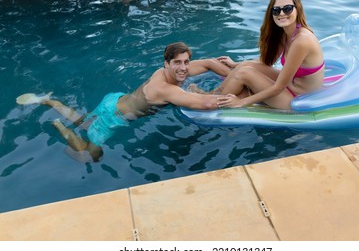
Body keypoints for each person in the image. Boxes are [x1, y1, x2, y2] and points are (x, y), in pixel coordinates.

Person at [16, 42, 231, 162]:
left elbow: (210, 63)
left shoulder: (168, 72)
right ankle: (59, 127)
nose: (184, 67)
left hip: (114, 99)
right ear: (167, 63)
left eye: (186, 62)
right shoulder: (165, 88)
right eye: (178, 63)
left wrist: (233, 71)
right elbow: (208, 104)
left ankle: (47, 100)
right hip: (113, 118)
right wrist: (235, 97)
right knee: (90, 156)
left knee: (84, 120)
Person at [190, 0, 324, 110]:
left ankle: (212, 100)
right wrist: (236, 64)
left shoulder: (302, 41)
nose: (281, 14)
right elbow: (267, 62)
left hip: (298, 100)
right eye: (276, 10)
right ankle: (215, 94)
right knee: (246, 66)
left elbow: (278, 87)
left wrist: (242, 102)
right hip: (292, 86)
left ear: (297, 9)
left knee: (245, 73)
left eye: (287, 9)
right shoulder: (286, 33)